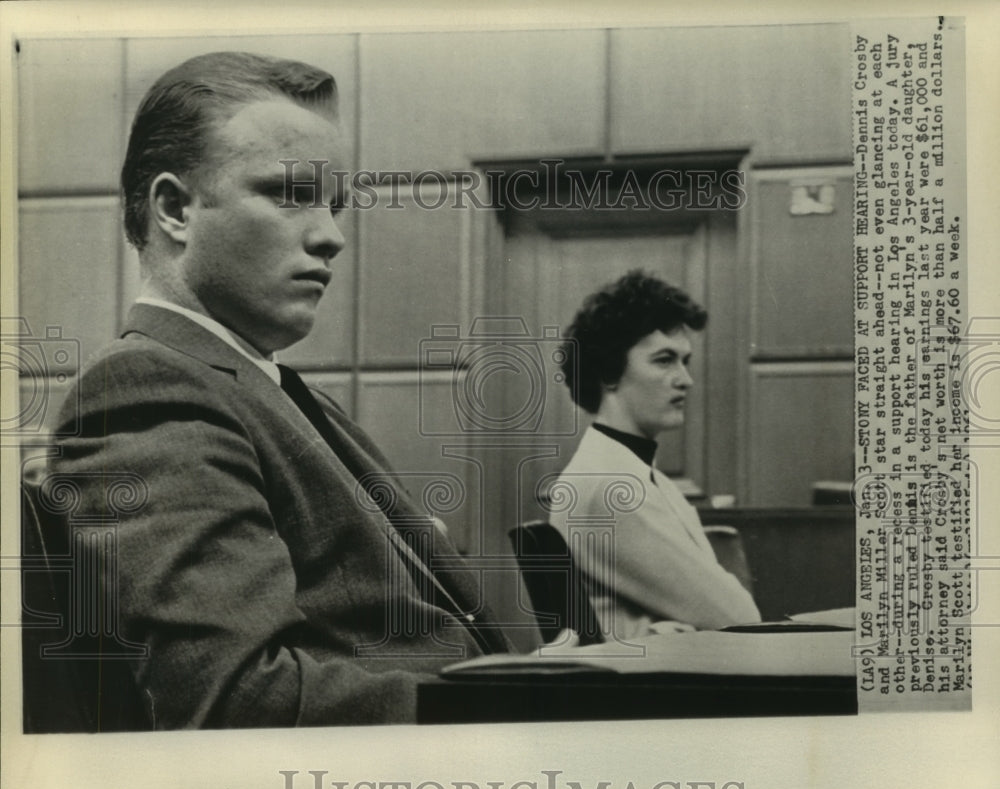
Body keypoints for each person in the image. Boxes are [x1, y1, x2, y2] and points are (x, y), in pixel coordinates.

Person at [45, 52, 513, 729]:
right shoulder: (145, 392)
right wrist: (510, 706)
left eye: (335, 205)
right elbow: (240, 701)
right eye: (290, 194)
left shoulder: (275, 389)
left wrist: (527, 677)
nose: (332, 236)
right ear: (175, 208)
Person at [549, 270, 761, 639]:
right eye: (664, 360)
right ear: (608, 371)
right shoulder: (610, 485)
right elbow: (739, 617)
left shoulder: (635, 472)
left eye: (685, 361)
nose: (685, 379)